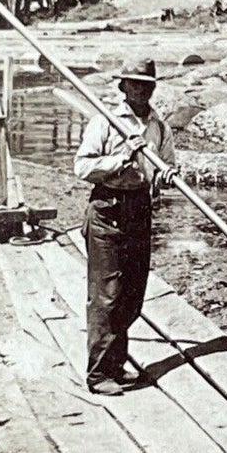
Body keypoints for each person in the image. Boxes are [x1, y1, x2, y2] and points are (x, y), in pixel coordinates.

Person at [73, 60, 179, 395]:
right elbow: (82, 166)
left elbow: (168, 163)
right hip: (107, 209)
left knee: (133, 295)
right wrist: (122, 159)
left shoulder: (159, 125)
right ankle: (99, 374)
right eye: (135, 84)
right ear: (123, 87)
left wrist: (166, 175)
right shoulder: (106, 122)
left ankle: (116, 366)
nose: (142, 89)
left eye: (147, 84)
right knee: (107, 296)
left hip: (139, 209)